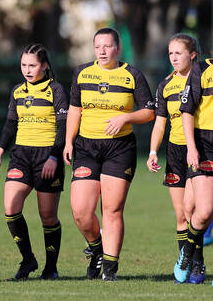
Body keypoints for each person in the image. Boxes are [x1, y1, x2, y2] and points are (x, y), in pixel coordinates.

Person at [63, 28, 154, 281]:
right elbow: (74, 109)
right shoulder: (82, 73)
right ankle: (96, 249)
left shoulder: (132, 75)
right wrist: (68, 142)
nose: (102, 51)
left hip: (119, 148)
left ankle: (110, 271)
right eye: (97, 47)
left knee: (112, 210)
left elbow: (149, 112)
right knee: (81, 211)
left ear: (118, 48)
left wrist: (126, 116)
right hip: (86, 148)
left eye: (107, 46)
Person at [0, 43, 68, 280]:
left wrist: (54, 156)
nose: (27, 69)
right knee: (11, 208)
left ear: (44, 65)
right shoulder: (17, 91)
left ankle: (50, 268)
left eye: (32, 65)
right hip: (21, 156)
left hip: (47, 156)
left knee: (48, 216)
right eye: (23, 65)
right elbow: (10, 123)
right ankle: (28, 260)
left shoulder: (55, 90)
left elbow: (64, 126)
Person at [147, 33, 205, 284]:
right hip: (174, 152)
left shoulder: (204, 78)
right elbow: (160, 124)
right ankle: (190, 261)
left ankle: (197, 263)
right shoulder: (165, 85)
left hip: (199, 148)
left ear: (192, 54)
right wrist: (152, 151)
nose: (173, 58)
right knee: (181, 213)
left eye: (178, 53)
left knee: (195, 209)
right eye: (170, 53)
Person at [173, 26, 213, 287]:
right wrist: (191, 147)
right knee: (203, 212)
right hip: (206, 144)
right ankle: (187, 255)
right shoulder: (201, 70)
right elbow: (187, 111)